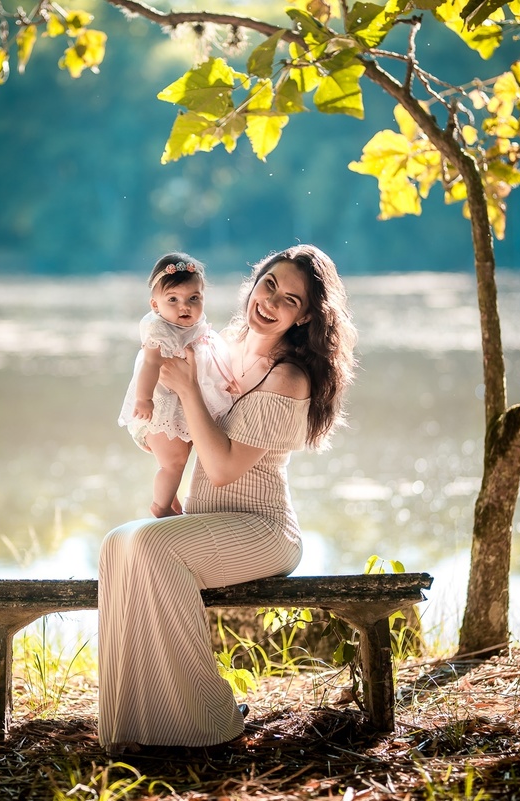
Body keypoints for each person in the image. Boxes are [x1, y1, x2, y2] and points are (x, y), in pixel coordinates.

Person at [98, 244, 357, 754]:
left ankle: (210, 721)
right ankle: (138, 722)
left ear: (304, 316)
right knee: (118, 543)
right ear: (252, 283)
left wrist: (191, 391)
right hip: (208, 522)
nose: (270, 301)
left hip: (262, 530)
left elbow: (221, 469)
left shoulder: (289, 376)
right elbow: (177, 416)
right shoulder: (224, 344)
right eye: (268, 285)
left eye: (289, 299)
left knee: (150, 547)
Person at [117, 252, 237, 518]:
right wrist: (144, 399)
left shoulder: (197, 327)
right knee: (173, 463)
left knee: (181, 460)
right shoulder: (160, 331)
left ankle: (170, 502)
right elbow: (149, 364)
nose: (185, 306)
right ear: (156, 305)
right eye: (173, 300)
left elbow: (212, 359)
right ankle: (159, 508)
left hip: (183, 405)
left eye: (193, 298)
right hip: (162, 408)